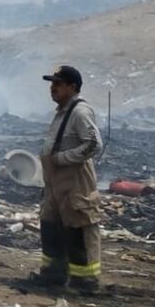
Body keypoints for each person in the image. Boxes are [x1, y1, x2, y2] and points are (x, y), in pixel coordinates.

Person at [33, 65, 105, 292]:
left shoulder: (80, 112)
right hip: (56, 182)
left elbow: (94, 144)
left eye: (57, 84)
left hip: (74, 180)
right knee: (50, 224)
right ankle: (53, 275)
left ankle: (84, 280)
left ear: (72, 87)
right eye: (51, 84)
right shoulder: (63, 112)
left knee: (78, 225)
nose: (52, 89)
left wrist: (63, 158)